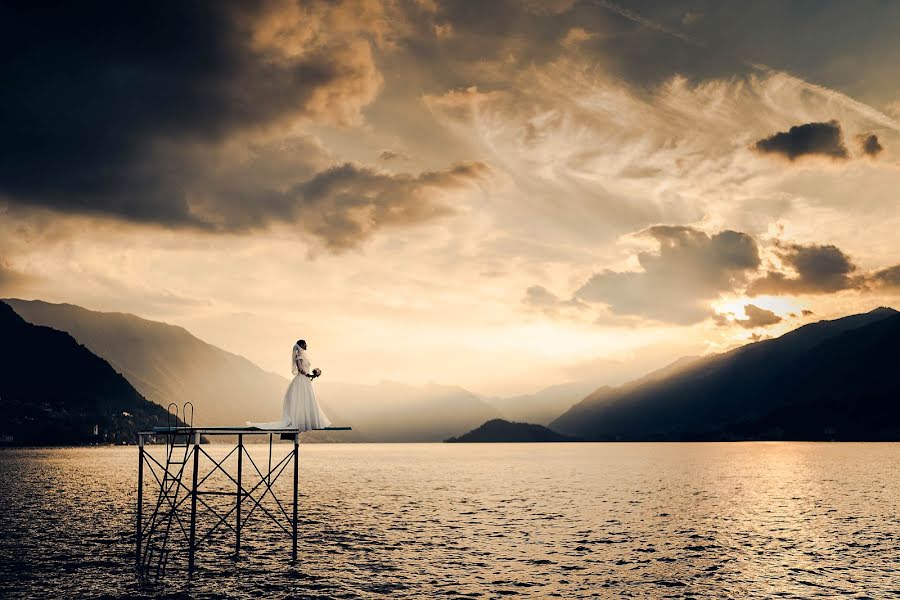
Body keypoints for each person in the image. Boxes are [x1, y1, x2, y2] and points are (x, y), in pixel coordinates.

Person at [249, 339, 331, 431]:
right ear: (301, 345)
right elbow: (300, 370)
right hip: (302, 379)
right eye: (305, 344)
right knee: (301, 400)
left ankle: (308, 421)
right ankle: (301, 422)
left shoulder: (303, 356)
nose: (306, 346)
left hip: (305, 380)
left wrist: (313, 375)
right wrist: (310, 375)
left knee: (306, 400)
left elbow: (305, 369)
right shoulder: (298, 356)